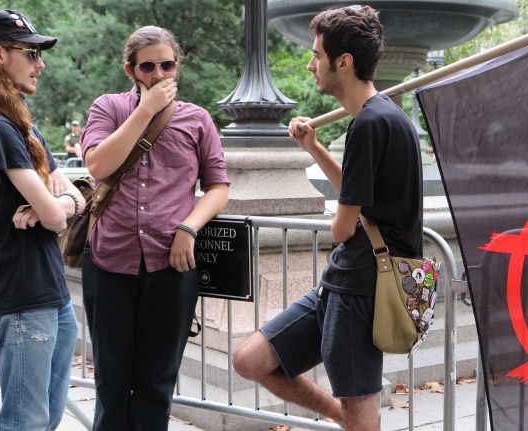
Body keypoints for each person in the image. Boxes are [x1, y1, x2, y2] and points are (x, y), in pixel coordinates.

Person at [232, 5, 422, 431]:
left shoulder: (369, 125)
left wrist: (344, 221)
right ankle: (340, 417)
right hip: (341, 285)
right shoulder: (384, 115)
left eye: (317, 54)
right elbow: (362, 199)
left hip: (359, 288)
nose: (311, 63)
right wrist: (315, 149)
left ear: (344, 61)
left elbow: (341, 228)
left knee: (360, 412)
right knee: (252, 359)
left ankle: (351, 419)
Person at [80, 25, 229, 430]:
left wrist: (190, 226)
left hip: (171, 265)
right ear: (131, 70)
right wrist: (144, 110)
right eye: (149, 66)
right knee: (111, 383)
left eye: (167, 64)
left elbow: (218, 186)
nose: (160, 74)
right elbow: (98, 165)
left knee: (156, 383)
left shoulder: (197, 119)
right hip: (110, 261)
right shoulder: (108, 108)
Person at [0, 9, 86, 430]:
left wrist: (61, 204)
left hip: (46, 290)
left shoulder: (20, 125)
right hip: (21, 296)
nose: (40, 63)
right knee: (24, 421)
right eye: (31, 52)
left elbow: (74, 194)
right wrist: (59, 206)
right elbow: (58, 212)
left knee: (45, 417)